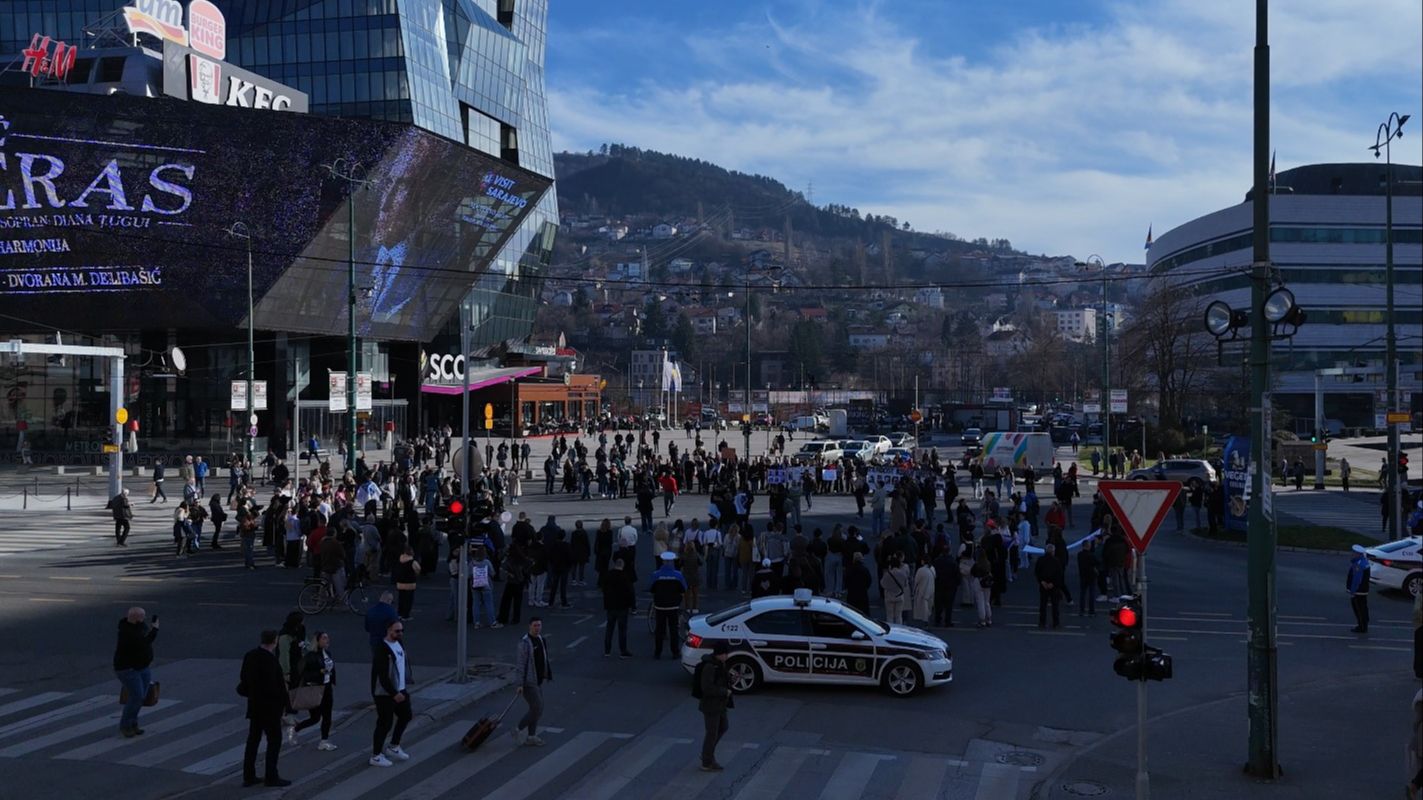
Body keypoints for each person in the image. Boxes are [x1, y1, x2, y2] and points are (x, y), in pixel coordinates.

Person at [239, 629, 291, 787]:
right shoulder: (271, 660)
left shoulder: (250, 655)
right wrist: (285, 706)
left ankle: (248, 775)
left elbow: (243, 679)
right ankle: (271, 776)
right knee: (274, 740)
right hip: (270, 707)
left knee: (253, 740)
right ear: (275, 641)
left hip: (255, 704)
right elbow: (277, 686)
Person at [369, 619, 413, 767]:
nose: (400, 633)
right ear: (389, 630)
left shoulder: (399, 643)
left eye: (401, 630)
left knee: (406, 715)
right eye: (397, 631)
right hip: (385, 693)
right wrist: (394, 693)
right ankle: (376, 755)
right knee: (384, 723)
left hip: (400, 689)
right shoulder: (381, 649)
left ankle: (394, 746)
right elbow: (382, 676)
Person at [114, 607, 158, 737]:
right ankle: (126, 725)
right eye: (142, 617)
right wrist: (155, 629)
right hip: (128, 669)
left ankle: (133, 722)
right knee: (136, 697)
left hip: (142, 667)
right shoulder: (126, 632)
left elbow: (145, 638)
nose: (144, 619)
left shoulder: (139, 626)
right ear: (136, 618)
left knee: (140, 697)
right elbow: (144, 642)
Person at [291, 631, 339, 750]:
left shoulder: (328, 653)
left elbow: (331, 668)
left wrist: (331, 677)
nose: (327, 640)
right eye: (324, 638)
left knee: (327, 716)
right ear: (317, 641)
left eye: (327, 638)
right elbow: (304, 673)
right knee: (315, 718)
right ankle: (295, 729)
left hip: (327, 687)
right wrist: (319, 672)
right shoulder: (311, 656)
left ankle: (324, 740)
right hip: (315, 688)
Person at [513, 618, 553, 746]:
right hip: (528, 682)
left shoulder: (541, 639)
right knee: (537, 707)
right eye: (535, 625)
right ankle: (518, 729)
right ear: (529, 626)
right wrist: (519, 684)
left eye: (539, 625)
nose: (538, 628)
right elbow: (520, 664)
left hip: (538, 680)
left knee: (536, 709)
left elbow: (544, 658)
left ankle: (531, 736)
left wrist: (547, 674)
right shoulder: (524, 643)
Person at [697, 641, 733, 772]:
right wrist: (724, 691)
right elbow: (707, 688)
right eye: (725, 653)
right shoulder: (710, 667)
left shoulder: (720, 664)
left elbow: (721, 679)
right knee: (712, 733)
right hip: (711, 705)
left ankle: (707, 753)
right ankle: (707, 761)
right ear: (719, 654)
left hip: (720, 704)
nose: (727, 656)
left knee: (723, 727)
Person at [650, 551, 687, 659]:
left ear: (662, 561)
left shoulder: (656, 574)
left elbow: (650, 588)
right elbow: (684, 588)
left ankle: (657, 652)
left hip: (660, 605)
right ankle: (675, 652)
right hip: (673, 605)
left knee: (659, 629)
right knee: (674, 630)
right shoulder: (678, 575)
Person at [601, 557, 635, 658]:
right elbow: (630, 592)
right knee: (622, 630)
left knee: (609, 628)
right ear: (622, 566)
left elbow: (604, 588)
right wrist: (631, 605)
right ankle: (623, 651)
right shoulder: (625, 576)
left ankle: (607, 650)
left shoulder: (608, 575)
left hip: (610, 606)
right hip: (622, 606)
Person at [1036, 544, 1065, 629]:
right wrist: (1053, 583)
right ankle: (1056, 623)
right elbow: (1059, 574)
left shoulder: (1040, 560)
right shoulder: (1056, 561)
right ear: (1053, 552)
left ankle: (1042, 622)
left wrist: (1042, 581)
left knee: (1043, 605)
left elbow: (1037, 572)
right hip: (1054, 586)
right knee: (1055, 605)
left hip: (1043, 585)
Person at [880, 552, 910, 625]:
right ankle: (899, 629)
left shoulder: (887, 574)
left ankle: (891, 630)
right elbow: (905, 584)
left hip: (889, 596)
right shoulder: (902, 574)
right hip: (899, 596)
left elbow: (882, 584)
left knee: (890, 615)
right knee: (898, 616)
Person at [1347, 544, 1371, 634]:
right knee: (1363, 607)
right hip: (1363, 590)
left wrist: (1352, 591)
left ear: (1358, 554)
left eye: (1353, 553)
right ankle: (1363, 624)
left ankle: (1362, 626)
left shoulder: (1358, 565)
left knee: (1359, 609)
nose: (1352, 554)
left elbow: (1356, 579)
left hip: (1359, 591)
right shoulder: (1363, 562)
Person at [394, 545, 421, 620]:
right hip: (409, 583)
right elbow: (418, 570)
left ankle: (400, 613)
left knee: (401, 599)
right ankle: (406, 615)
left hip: (400, 583)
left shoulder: (400, 559)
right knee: (408, 600)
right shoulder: (412, 562)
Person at [1077, 538, 1100, 616]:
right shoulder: (1091, 555)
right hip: (1091, 575)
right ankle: (1091, 610)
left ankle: (1082, 610)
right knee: (1091, 593)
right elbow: (1097, 562)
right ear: (1088, 546)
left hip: (1083, 575)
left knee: (1082, 593)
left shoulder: (1079, 555)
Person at [845, 552, 872, 616]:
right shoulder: (865, 569)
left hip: (852, 593)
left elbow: (846, 581)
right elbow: (869, 581)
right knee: (864, 614)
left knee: (852, 613)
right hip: (862, 593)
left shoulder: (849, 569)